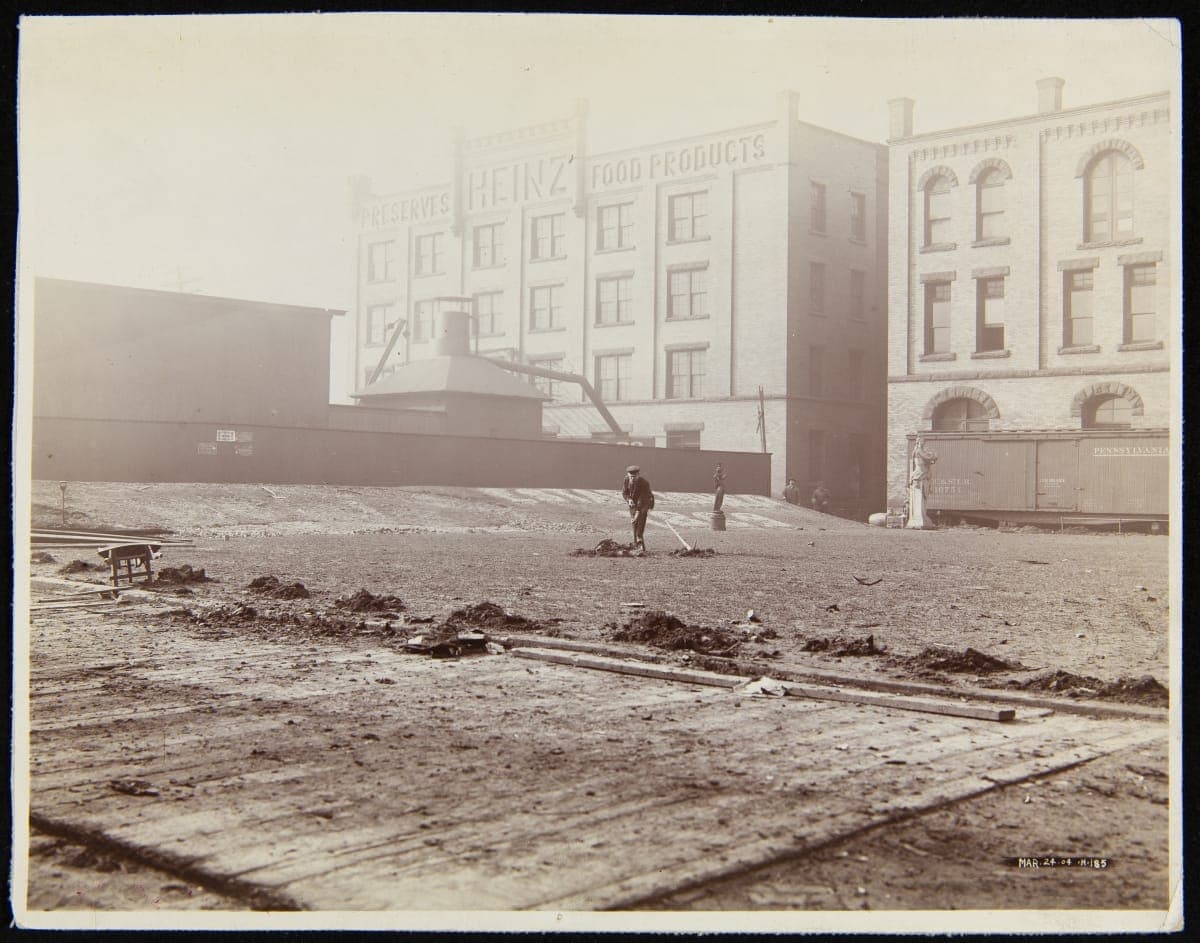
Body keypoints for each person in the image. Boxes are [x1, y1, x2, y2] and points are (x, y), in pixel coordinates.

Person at [621, 465, 655, 553]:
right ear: (628, 475)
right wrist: (629, 499)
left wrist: (637, 512)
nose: (632, 479)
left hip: (645, 501)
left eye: (634, 477)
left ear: (638, 475)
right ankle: (636, 543)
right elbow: (624, 492)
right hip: (633, 502)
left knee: (640, 519)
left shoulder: (644, 483)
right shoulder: (626, 480)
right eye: (631, 477)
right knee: (634, 522)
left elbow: (642, 500)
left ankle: (640, 541)